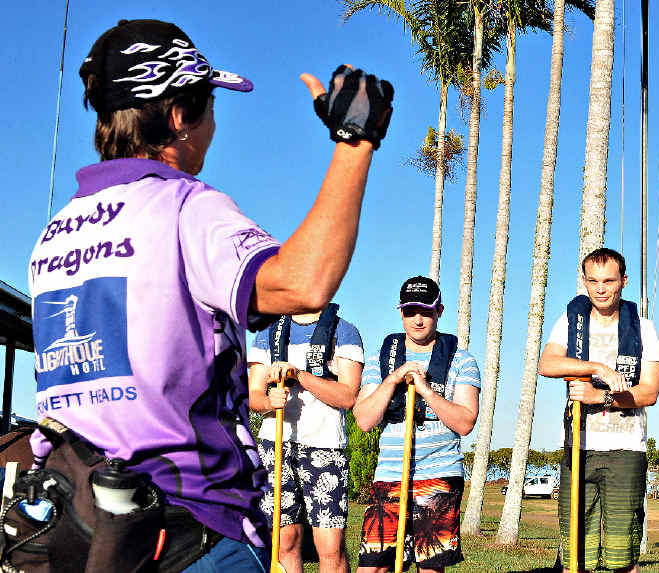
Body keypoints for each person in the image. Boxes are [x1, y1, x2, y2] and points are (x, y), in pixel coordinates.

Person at [27, 18, 392, 571]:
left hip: (79, 520)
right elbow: (302, 282)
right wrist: (355, 141)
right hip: (189, 521)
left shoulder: (56, 233)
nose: (213, 125)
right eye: (210, 107)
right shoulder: (184, 207)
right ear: (178, 117)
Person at [538, 247, 659, 573]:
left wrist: (601, 398)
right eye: (593, 281)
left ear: (623, 280)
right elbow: (547, 363)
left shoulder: (644, 328)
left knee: (623, 558)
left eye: (609, 280)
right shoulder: (570, 322)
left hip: (625, 451)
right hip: (578, 448)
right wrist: (596, 367)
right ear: (584, 281)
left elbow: (649, 392)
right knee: (574, 557)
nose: (601, 289)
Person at [352, 276, 481, 573]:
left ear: (440, 311)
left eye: (426, 311)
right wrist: (393, 380)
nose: (418, 320)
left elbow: (464, 423)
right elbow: (364, 420)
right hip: (391, 475)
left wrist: (425, 390)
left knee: (430, 567)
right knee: (372, 567)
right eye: (411, 311)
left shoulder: (462, 361)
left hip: (439, 474)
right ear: (400, 312)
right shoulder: (379, 360)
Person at [248, 305, 364, 573]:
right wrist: (267, 401)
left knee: (331, 547)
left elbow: (347, 397)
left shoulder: (344, 331)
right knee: (283, 541)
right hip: (275, 445)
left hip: (325, 445)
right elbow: (254, 394)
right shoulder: (267, 332)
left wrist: (299, 376)